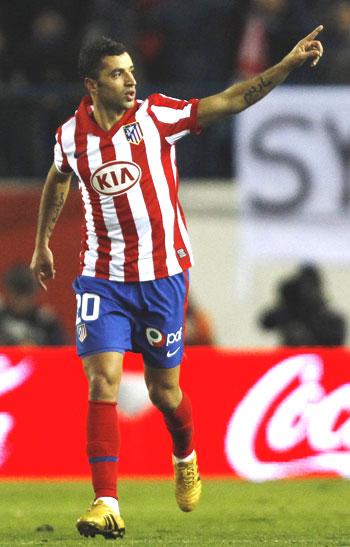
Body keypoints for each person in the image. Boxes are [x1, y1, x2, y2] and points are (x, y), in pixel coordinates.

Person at [30, 27, 324, 539]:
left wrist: (287, 64)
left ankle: (185, 452)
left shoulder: (156, 116)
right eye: (117, 74)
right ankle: (106, 502)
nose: (130, 81)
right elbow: (59, 178)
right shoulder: (69, 137)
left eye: (131, 71)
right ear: (91, 85)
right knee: (102, 381)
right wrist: (43, 242)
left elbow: (232, 100)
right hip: (103, 278)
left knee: (164, 392)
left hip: (164, 277)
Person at [259, 264, 346, 346]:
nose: (306, 292)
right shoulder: (290, 310)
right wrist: (284, 306)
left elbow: (336, 345)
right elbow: (266, 323)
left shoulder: (331, 320)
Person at [0, 264, 68, 346]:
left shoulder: (46, 322)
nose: (21, 301)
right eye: (17, 295)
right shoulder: (2, 317)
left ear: (34, 294)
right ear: (7, 293)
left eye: (26, 295)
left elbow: (60, 352)